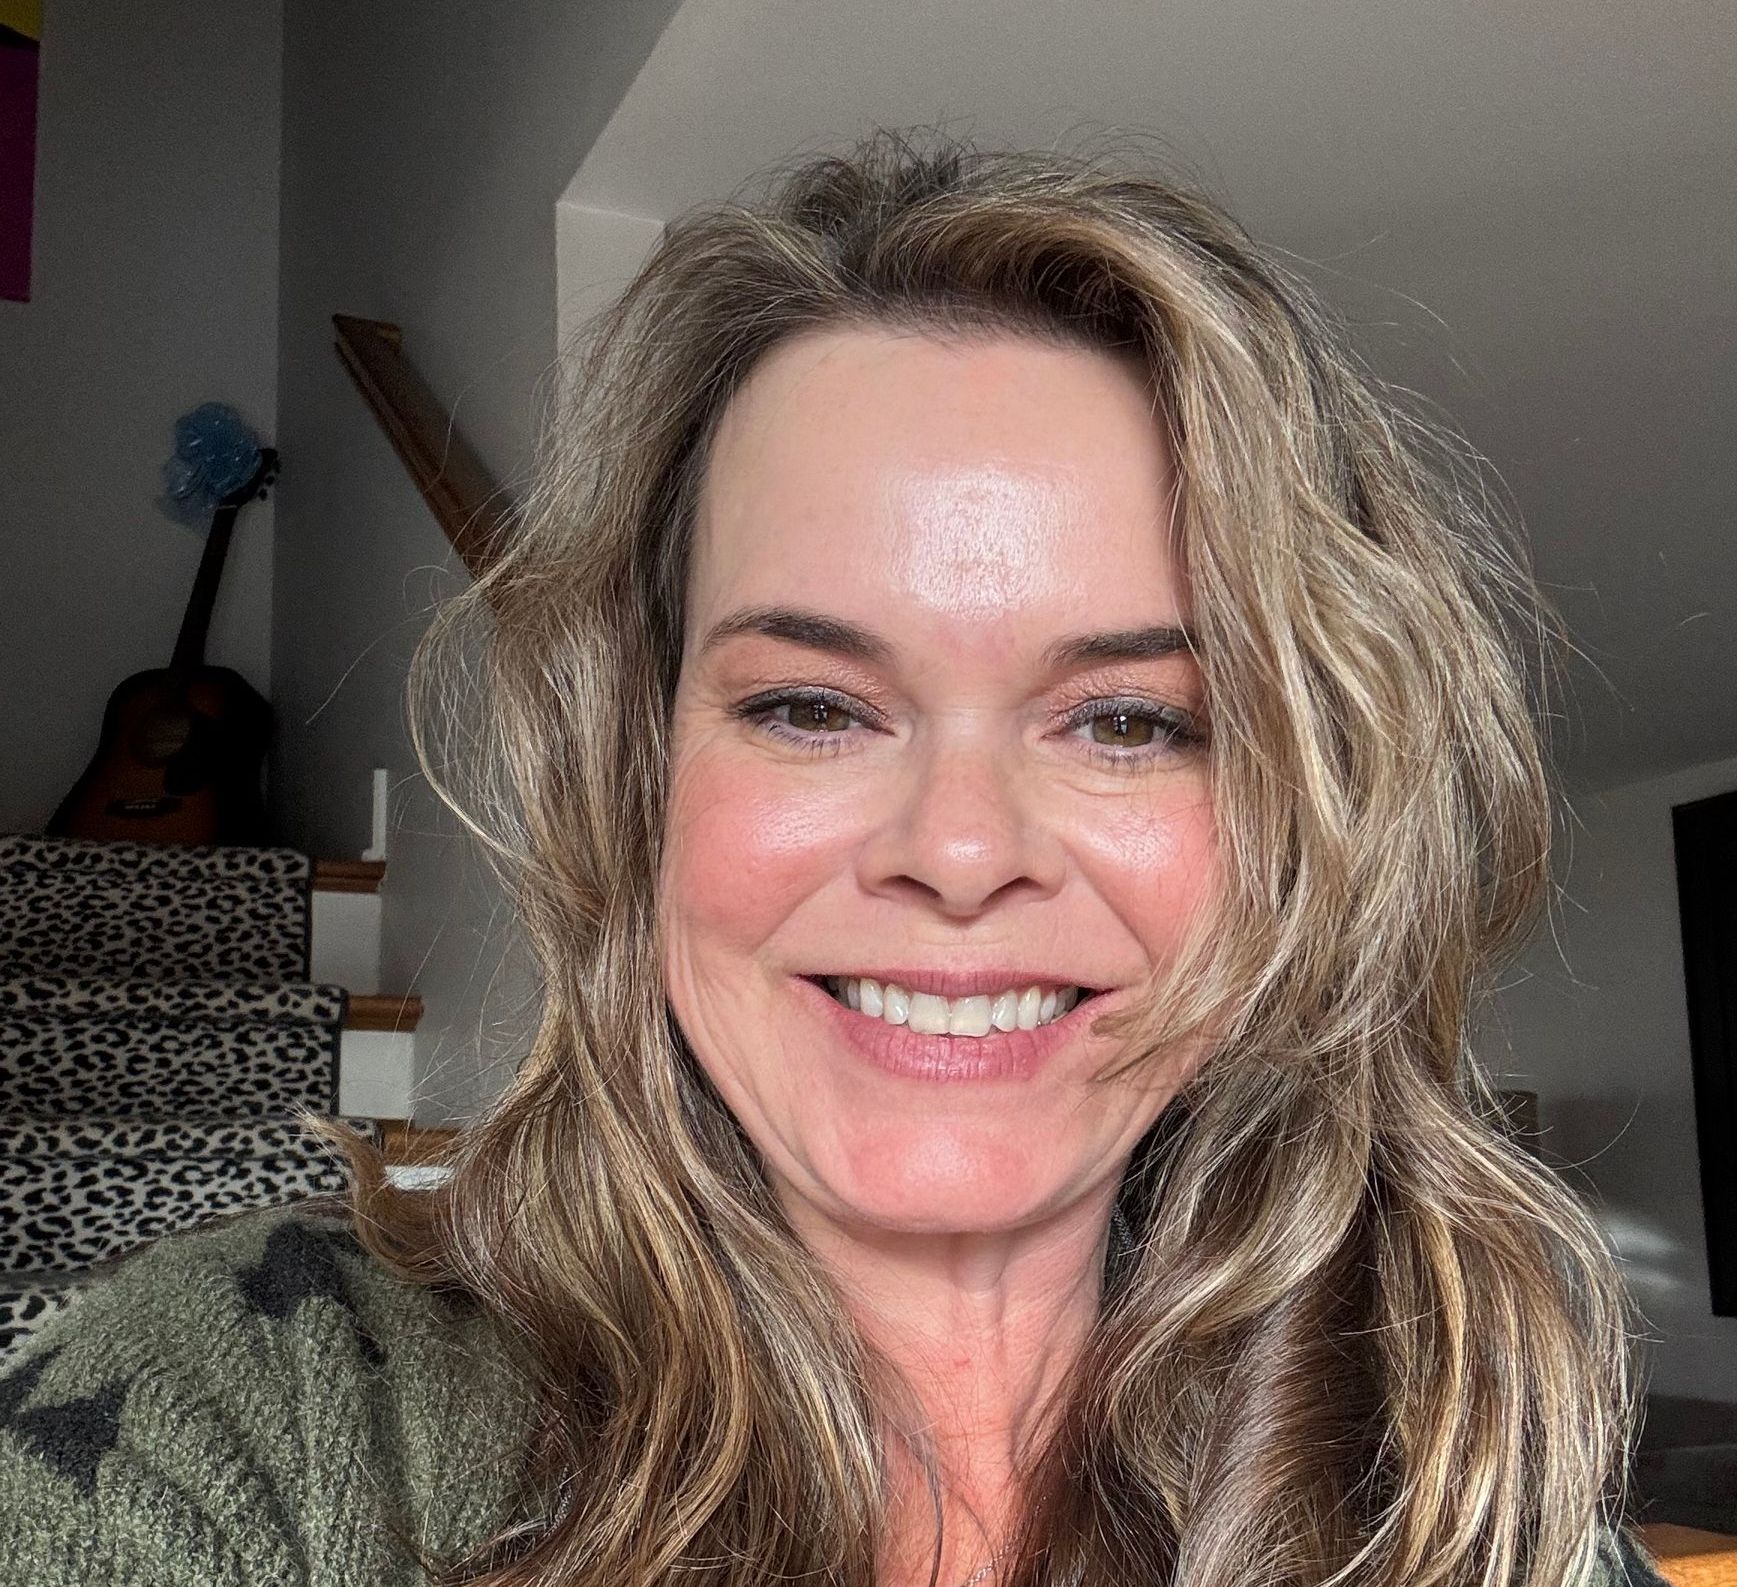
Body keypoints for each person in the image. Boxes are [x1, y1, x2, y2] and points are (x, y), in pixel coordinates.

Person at [0, 128, 1671, 1587]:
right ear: (637, 778)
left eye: (1131, 721)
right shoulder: (242, 1404)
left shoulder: (1456, 1466)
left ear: (1299, 818)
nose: (956, 852)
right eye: (810, 705)